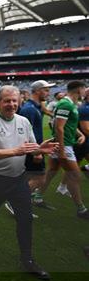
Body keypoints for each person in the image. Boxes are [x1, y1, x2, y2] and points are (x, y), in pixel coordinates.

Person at [0, 85, 57, 280]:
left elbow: (29, 149)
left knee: (26, 218)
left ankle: (27, 260)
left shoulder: (24, 121)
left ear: (19, 101)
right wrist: (15, 151)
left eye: (14, 101)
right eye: (7, 101)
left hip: (18, 179)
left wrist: (40, 149)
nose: (11, 104)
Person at [39, 80, 89, 219]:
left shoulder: (71, 104)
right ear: (79, 89)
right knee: (75, 175)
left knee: (51, 172)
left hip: (63, 143)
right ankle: (81, 209)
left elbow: (69, 125)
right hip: (64, 145)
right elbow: (59, 127)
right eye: (84, 88)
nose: (85, 91)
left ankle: (37, 197)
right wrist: (61, 149)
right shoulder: (65, 104)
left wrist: (79, 135)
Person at [18, 80, 56, 210]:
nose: (48, 92)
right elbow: (24, 133)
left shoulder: (35, 108)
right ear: (38, 90)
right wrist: (37, 151)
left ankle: (23, 202)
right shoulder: (30, 109)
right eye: (46, 90)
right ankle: (15, 203)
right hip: (33, 150)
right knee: (40, 179)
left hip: (36, 149)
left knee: (31, 178)